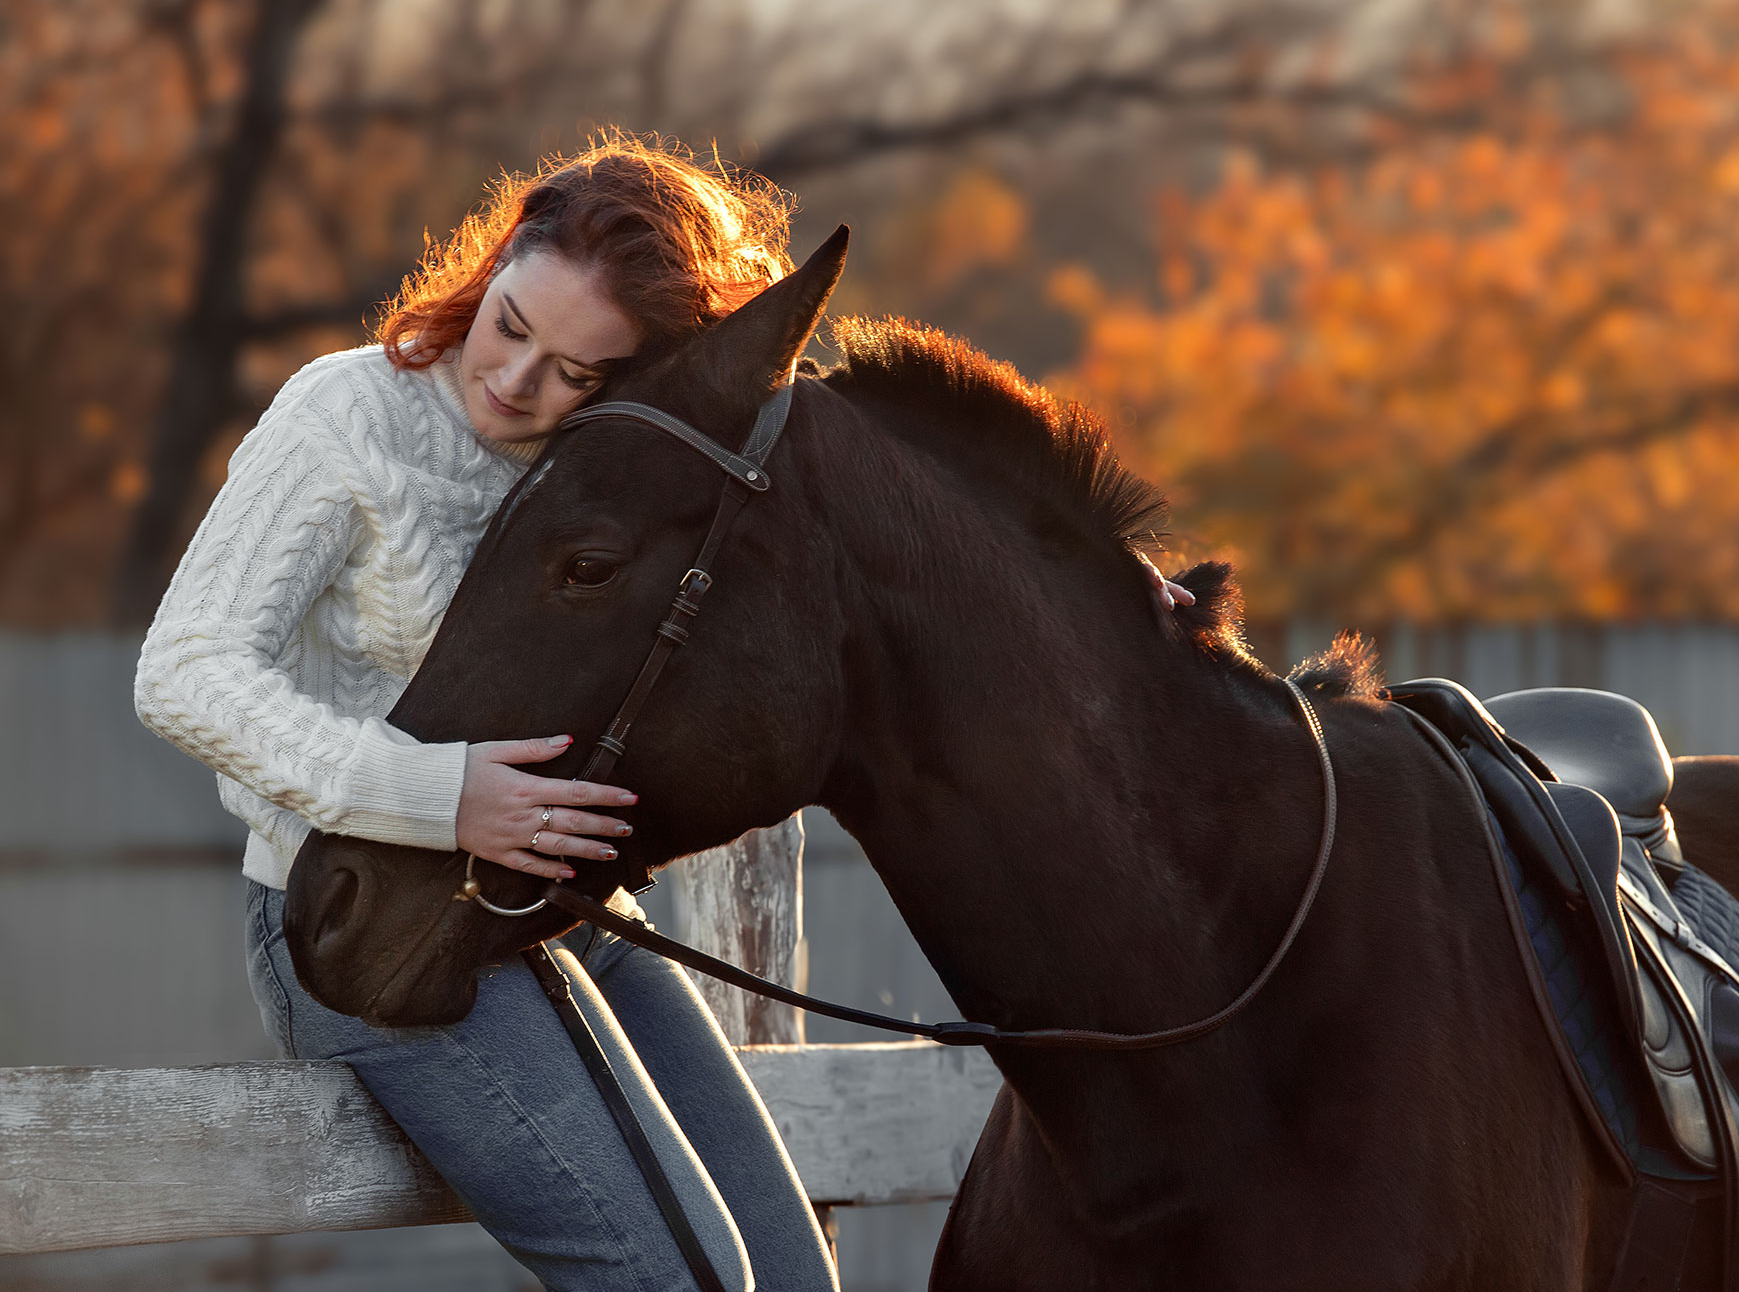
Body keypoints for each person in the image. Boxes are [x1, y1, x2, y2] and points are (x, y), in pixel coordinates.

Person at [134, 133, 1193, 1291]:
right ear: (490, 271)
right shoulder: (346, 418)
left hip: (565, 916)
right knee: (672, 1281)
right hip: (364, 914)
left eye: (577, 371)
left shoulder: (623, 448)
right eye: (511, 325)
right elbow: (184, 668)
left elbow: (847, 466)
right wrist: (440, 797)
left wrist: (1080, 581)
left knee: (789, 1277)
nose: (517, 383)